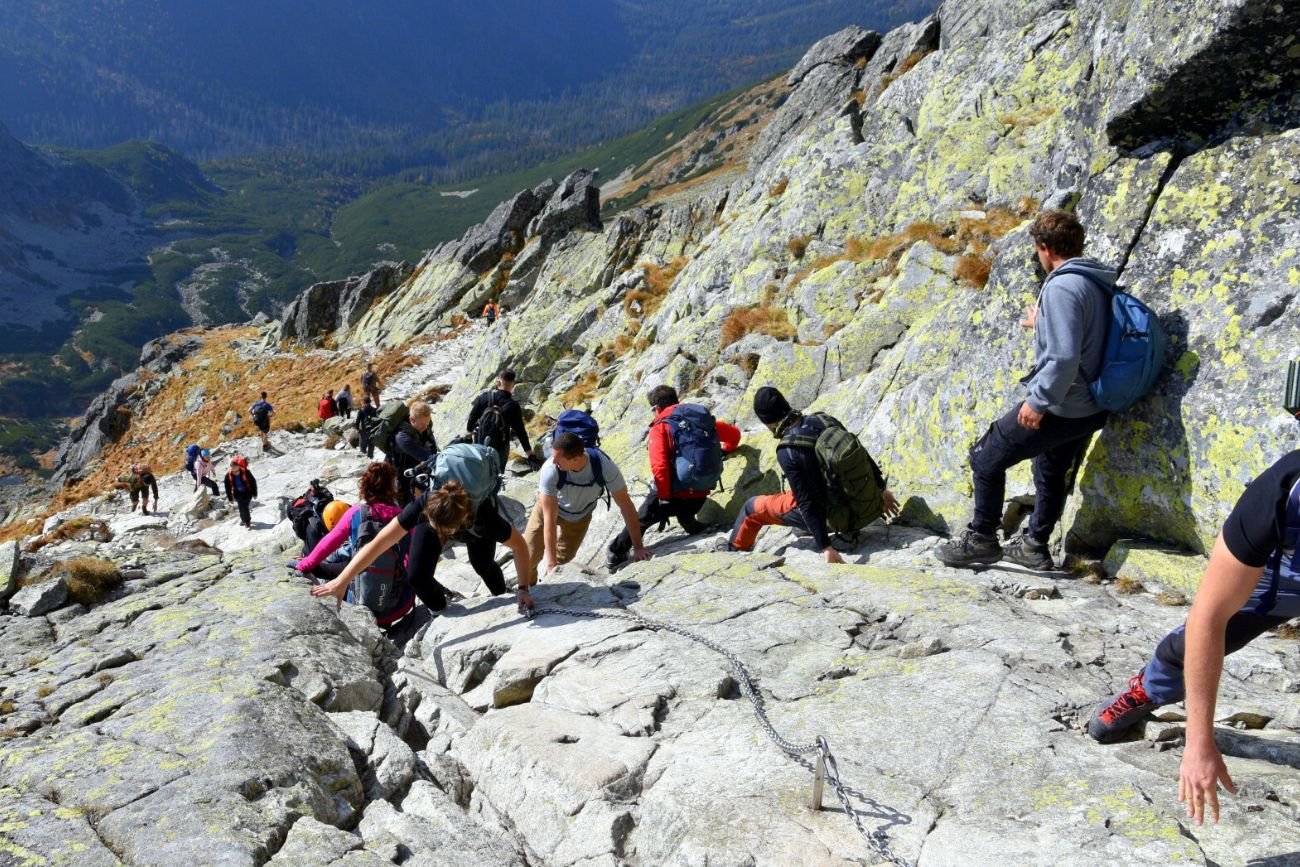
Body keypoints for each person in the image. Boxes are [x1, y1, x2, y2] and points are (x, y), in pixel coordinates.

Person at [1086, 446, 1300, 825]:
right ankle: (1151, 688)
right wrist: (1199, 741)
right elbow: (1209, 617)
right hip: (1278, 584)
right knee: (1188, 647)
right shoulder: (1281, 492)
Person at [934, 210, 1113, 570]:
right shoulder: (1094, 281)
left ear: (1044, 247)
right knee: (1049, 471)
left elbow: (1063, 358)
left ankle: (982, 538)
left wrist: (1038, 401)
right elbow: (1084, 335)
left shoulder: (1062, 287)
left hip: (1062, 404)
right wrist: (1042, 322)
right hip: (1089, 407)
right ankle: (1034, 545)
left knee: (985, 458)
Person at [312, 454, 535, 615]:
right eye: (436, 528)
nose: (441, 537)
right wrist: (342, 580)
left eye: (443, 532)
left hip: (473, 528)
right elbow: (379, 542)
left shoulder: (484, 518)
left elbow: (520, 546)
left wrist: (523, 589)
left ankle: (502, 595)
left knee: (482, 564)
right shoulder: (424, 504)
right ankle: (441, 612)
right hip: (439, 515)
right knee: (417, 576)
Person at [724, 387, 899, 563]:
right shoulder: (824, 420)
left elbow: (806, 502)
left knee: (751, 508)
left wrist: (826, 547)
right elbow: (861, 454)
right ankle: (812, 527)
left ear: (768, 423)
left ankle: (731, 553)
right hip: (863, 503)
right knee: (800, 509)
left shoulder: (788, 451)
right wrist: (881, 489)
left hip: (835, 516)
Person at [606, 385, 740, 566]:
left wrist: (664, 499)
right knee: (686, 506)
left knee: (641, 520)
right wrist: (727, 450)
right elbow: (735, 435)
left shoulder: (661, 427)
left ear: (656, 408)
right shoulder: (699, 419)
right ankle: (691, 524)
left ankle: (616, 552)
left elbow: (659, 467)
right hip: (700, 494)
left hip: (673, 497)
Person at [525, 432, 651, 584]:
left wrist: (638, 548)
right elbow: (549, 519)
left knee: (564, 561)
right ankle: (528, 589)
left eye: (558, 460)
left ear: (576, 459)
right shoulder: (550, 470)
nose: (553, 462)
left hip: (579, 516)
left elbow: (626, 506)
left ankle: (549, 586)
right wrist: (551, 563)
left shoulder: (604, 466)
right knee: (529, 556)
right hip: (549, 510)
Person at [297, 463, 401, 585]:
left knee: (318, 567)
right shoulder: (403, 515)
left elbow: (329, 543)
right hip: (398, 595)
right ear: (392, 487)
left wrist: (305, 564)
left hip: (360, 582)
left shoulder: (356, 513)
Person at [466, 369, 534, 465]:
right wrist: (529, 453)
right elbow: (520, 432)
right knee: (496, 473)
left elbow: (472, 419)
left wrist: (469, 433)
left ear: (498, 382)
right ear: (513, 384)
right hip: (500, 447)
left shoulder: (484, 397)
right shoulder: (513, 406)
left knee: (480, 468)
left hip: (480, 442)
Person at [389, 399, 438, 505]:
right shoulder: (402, 437)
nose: (425, 427)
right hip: (400, 471)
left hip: (415, 466)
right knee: (405, 499)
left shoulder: (425, 426)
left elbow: (432, 445)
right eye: (422, 425)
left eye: (427, 423)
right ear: (412, 420)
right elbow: (424, 455)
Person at [223, 455, 258, 528]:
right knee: (241, 507)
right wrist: (230, 498)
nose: (235, 471)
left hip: (247, 492)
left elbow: (253, 482)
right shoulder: (228, 475)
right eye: (233, 469)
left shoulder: (246, 472)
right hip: (237, 494)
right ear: (231, 468)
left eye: (236, 468)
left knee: (244, 507)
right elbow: (227, 487)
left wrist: (255, 493)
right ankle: (243, 519)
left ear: (238, 466)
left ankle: (247, 521)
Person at [356, 394, 378, 458]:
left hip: (363, 432)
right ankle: (370, 461)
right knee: (371, 450)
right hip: (372, 432)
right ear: (370, 402)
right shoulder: (374, 410)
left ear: (363, 402)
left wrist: (358, 430)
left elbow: (357, 422)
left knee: (362, 450)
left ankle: (363, 464)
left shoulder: (361, 411)